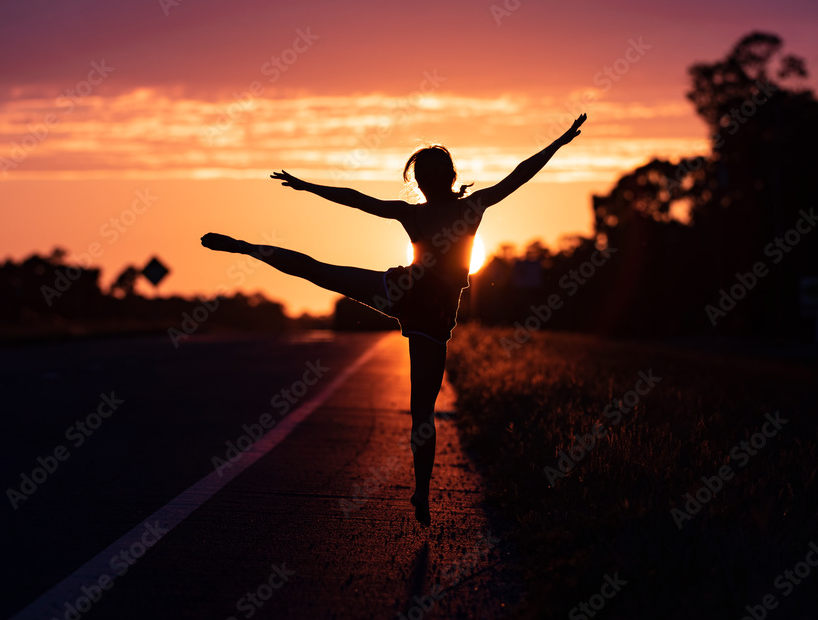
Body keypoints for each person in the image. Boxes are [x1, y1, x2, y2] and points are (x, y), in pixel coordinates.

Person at [201, 113, 587, 526]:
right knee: (422, 410)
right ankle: (421, 490)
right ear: (445, 177)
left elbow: (356, 198)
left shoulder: (416, 214)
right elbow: (519, 175)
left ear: (423, 182)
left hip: (402, 293)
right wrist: (558, 143)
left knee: (318, 270)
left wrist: (306, 186)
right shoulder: (471, 207)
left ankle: (246, 247)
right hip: (431, 313)